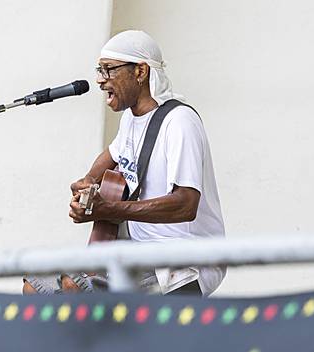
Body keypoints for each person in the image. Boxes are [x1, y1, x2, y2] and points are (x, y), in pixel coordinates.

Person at [24, 30, 225, 296]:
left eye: (108, 70)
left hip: (183, 260)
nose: (100, 80)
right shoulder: (131, 118)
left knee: (73, 289)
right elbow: (107, 160)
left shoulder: (179, 122)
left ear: (140, 72)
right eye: (99, 70)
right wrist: (87, 188)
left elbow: (186, 205)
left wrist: (110, 209)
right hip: (136, 253)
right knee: (36, 286)